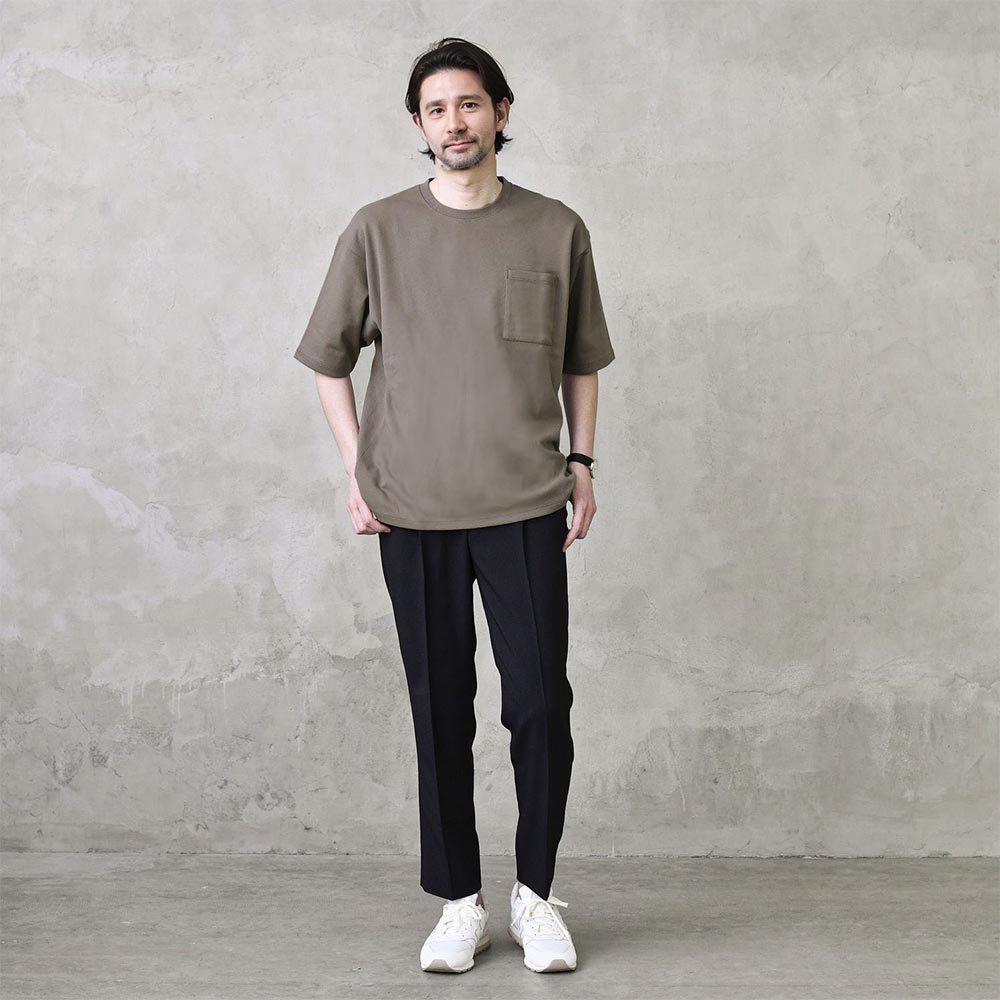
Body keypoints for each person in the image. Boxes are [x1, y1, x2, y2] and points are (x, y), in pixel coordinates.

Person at [293, 37, 615, 975]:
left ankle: (536, 895)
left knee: (540, 704)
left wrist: (582, 461)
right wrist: (359, 468)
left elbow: (581, 360)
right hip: (414, 509)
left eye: (470, 104)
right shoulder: (378, 230)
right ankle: (459, 902)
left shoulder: (555, 229)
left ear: (501, 113)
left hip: (524, 503)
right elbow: (328, 361)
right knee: (440, 710)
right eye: (436, 109)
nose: (454, 122)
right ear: (420, 125)